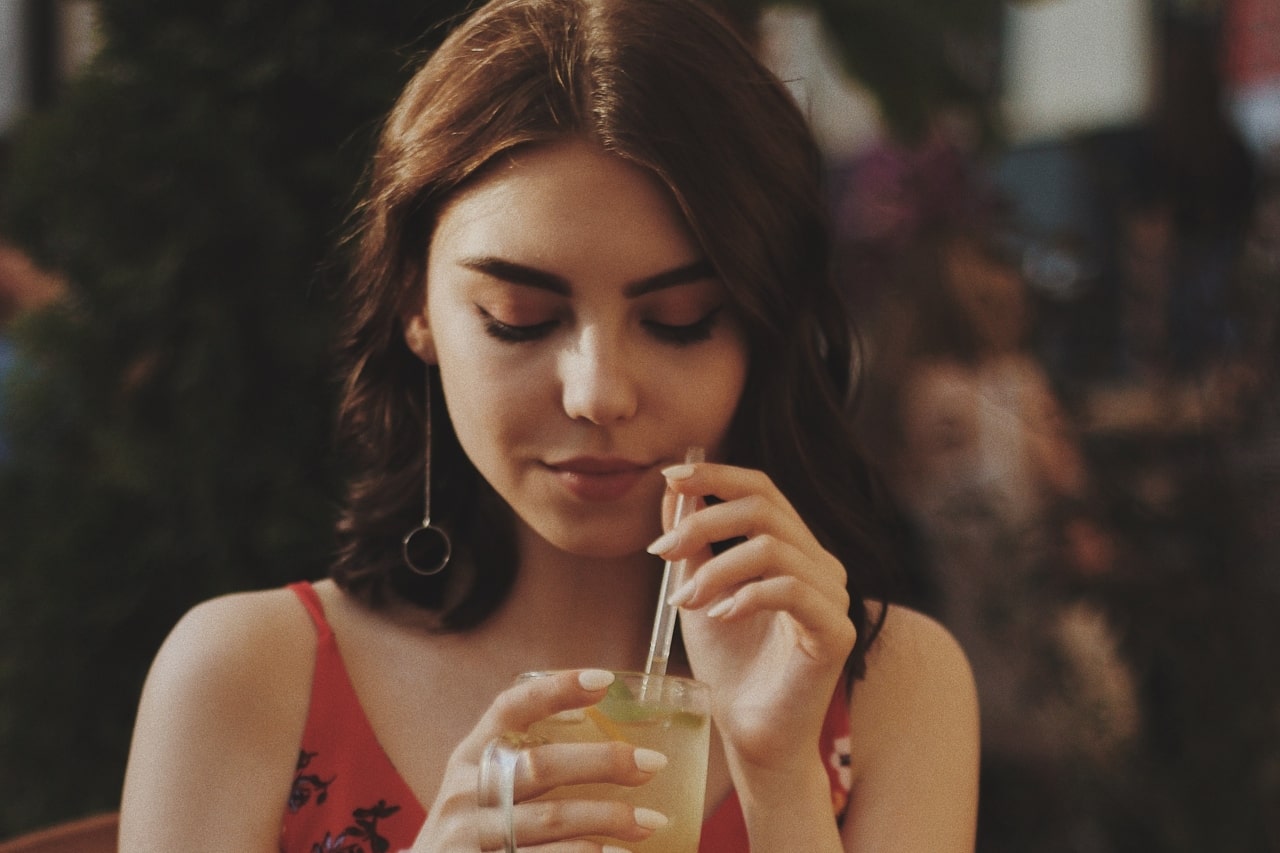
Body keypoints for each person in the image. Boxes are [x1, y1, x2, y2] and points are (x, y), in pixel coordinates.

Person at [118, 0, 979, 851]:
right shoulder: (246, 675)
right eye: (520, 317)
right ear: (415, 305)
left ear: (762, 330)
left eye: (680, 319)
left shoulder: (889, 685)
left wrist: (780, 777)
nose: (597, 393)